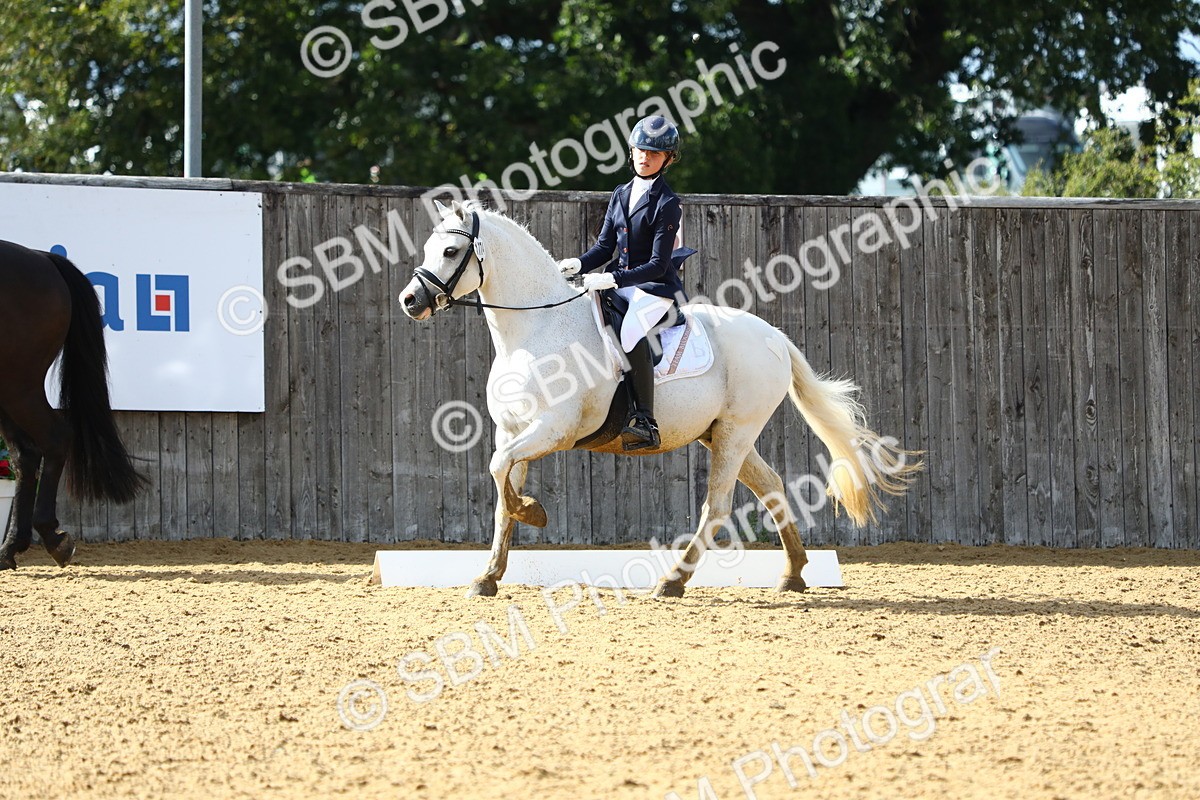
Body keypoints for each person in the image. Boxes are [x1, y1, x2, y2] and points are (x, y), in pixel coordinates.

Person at [558, 115, 692, 451]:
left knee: (631, 329)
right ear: (631, 151)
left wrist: (613, 277)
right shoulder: (620, 194)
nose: (646, 157)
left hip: (656, 288)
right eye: (641, 150)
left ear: (668, 159)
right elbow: (605, 247)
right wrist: (579, 262)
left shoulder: (667, 203)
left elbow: (659, 264)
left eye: (655, 153)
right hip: (620, 283)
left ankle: (645, 419)